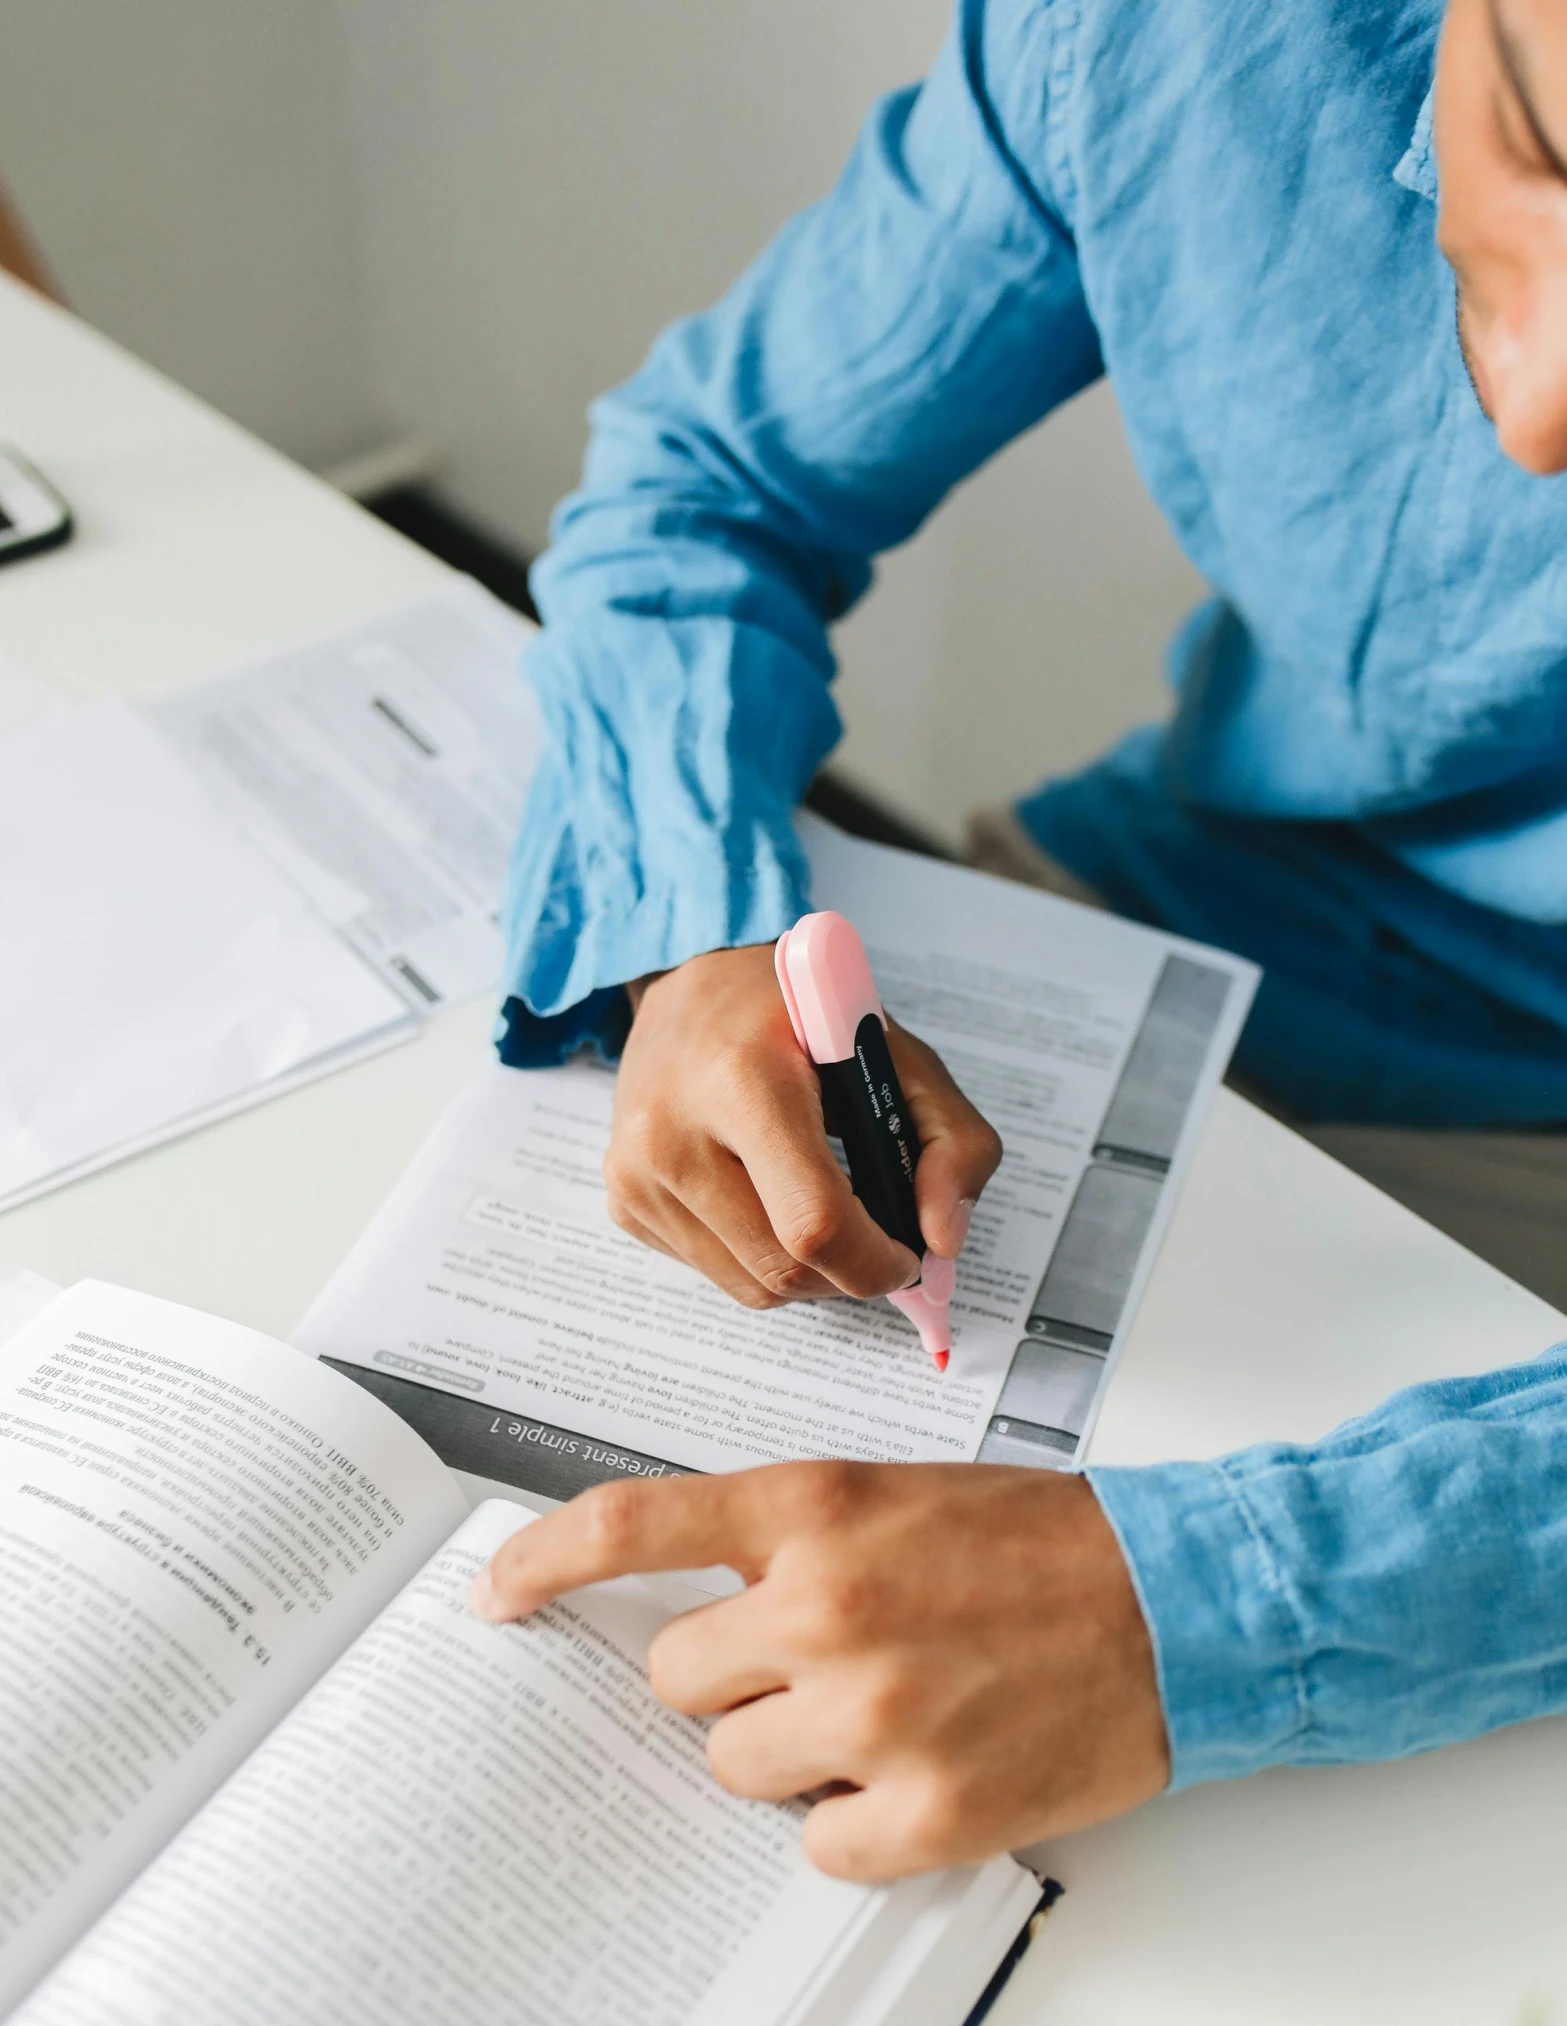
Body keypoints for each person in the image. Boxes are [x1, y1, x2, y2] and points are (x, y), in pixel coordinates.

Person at [468, 0, 1567, 1881]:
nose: (1533, 406)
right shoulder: (1187, 41)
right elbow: (705, 483)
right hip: (1200, 914)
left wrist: (1182, 1615)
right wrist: (698, 933)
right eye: (1540, 150)